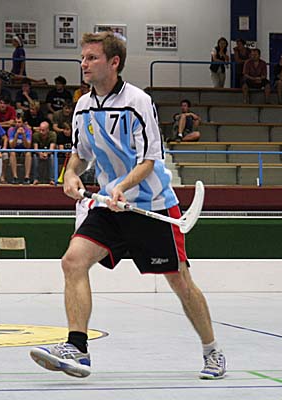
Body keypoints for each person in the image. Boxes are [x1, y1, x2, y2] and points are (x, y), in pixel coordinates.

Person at [29, 31, 226, 380]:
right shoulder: (83, 106)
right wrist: (70, 174)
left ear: (114, 62)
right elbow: (80, 155)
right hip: (109, 205)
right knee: (73, 261)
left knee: (179, 281)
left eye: (92, 58)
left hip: (152, 205)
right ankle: (77, 348)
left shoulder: (138, 101)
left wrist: (122, 186)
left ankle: (212, 351)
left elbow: (149, 159)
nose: (84, 64)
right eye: (83, 58)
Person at [7, 116, 33, 184]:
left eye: (19, 122)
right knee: (12, 152)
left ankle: (27, 177)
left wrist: (23, 135)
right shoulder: (11, 130)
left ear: (23, 123)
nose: (17, 124)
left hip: (24, 149)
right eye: (16, 122)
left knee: (28, 153)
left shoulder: (28, 131)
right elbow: (11, 145)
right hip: (15, 149)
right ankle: (15, 177)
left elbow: (28, 146)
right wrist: (16, 134)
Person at [31, 120, 57, 185]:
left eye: (43, 130)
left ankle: (52, 179)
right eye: (40, 130)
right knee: (34, 157)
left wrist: (46, 154)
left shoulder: (53, 134)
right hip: (38, 153)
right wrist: (40, 153)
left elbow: (51, 148)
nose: (41, 132)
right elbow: (35, 148)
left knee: (52, 157)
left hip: (48, 153)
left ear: (48, 130)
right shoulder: (36, 135)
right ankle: (35, 179)